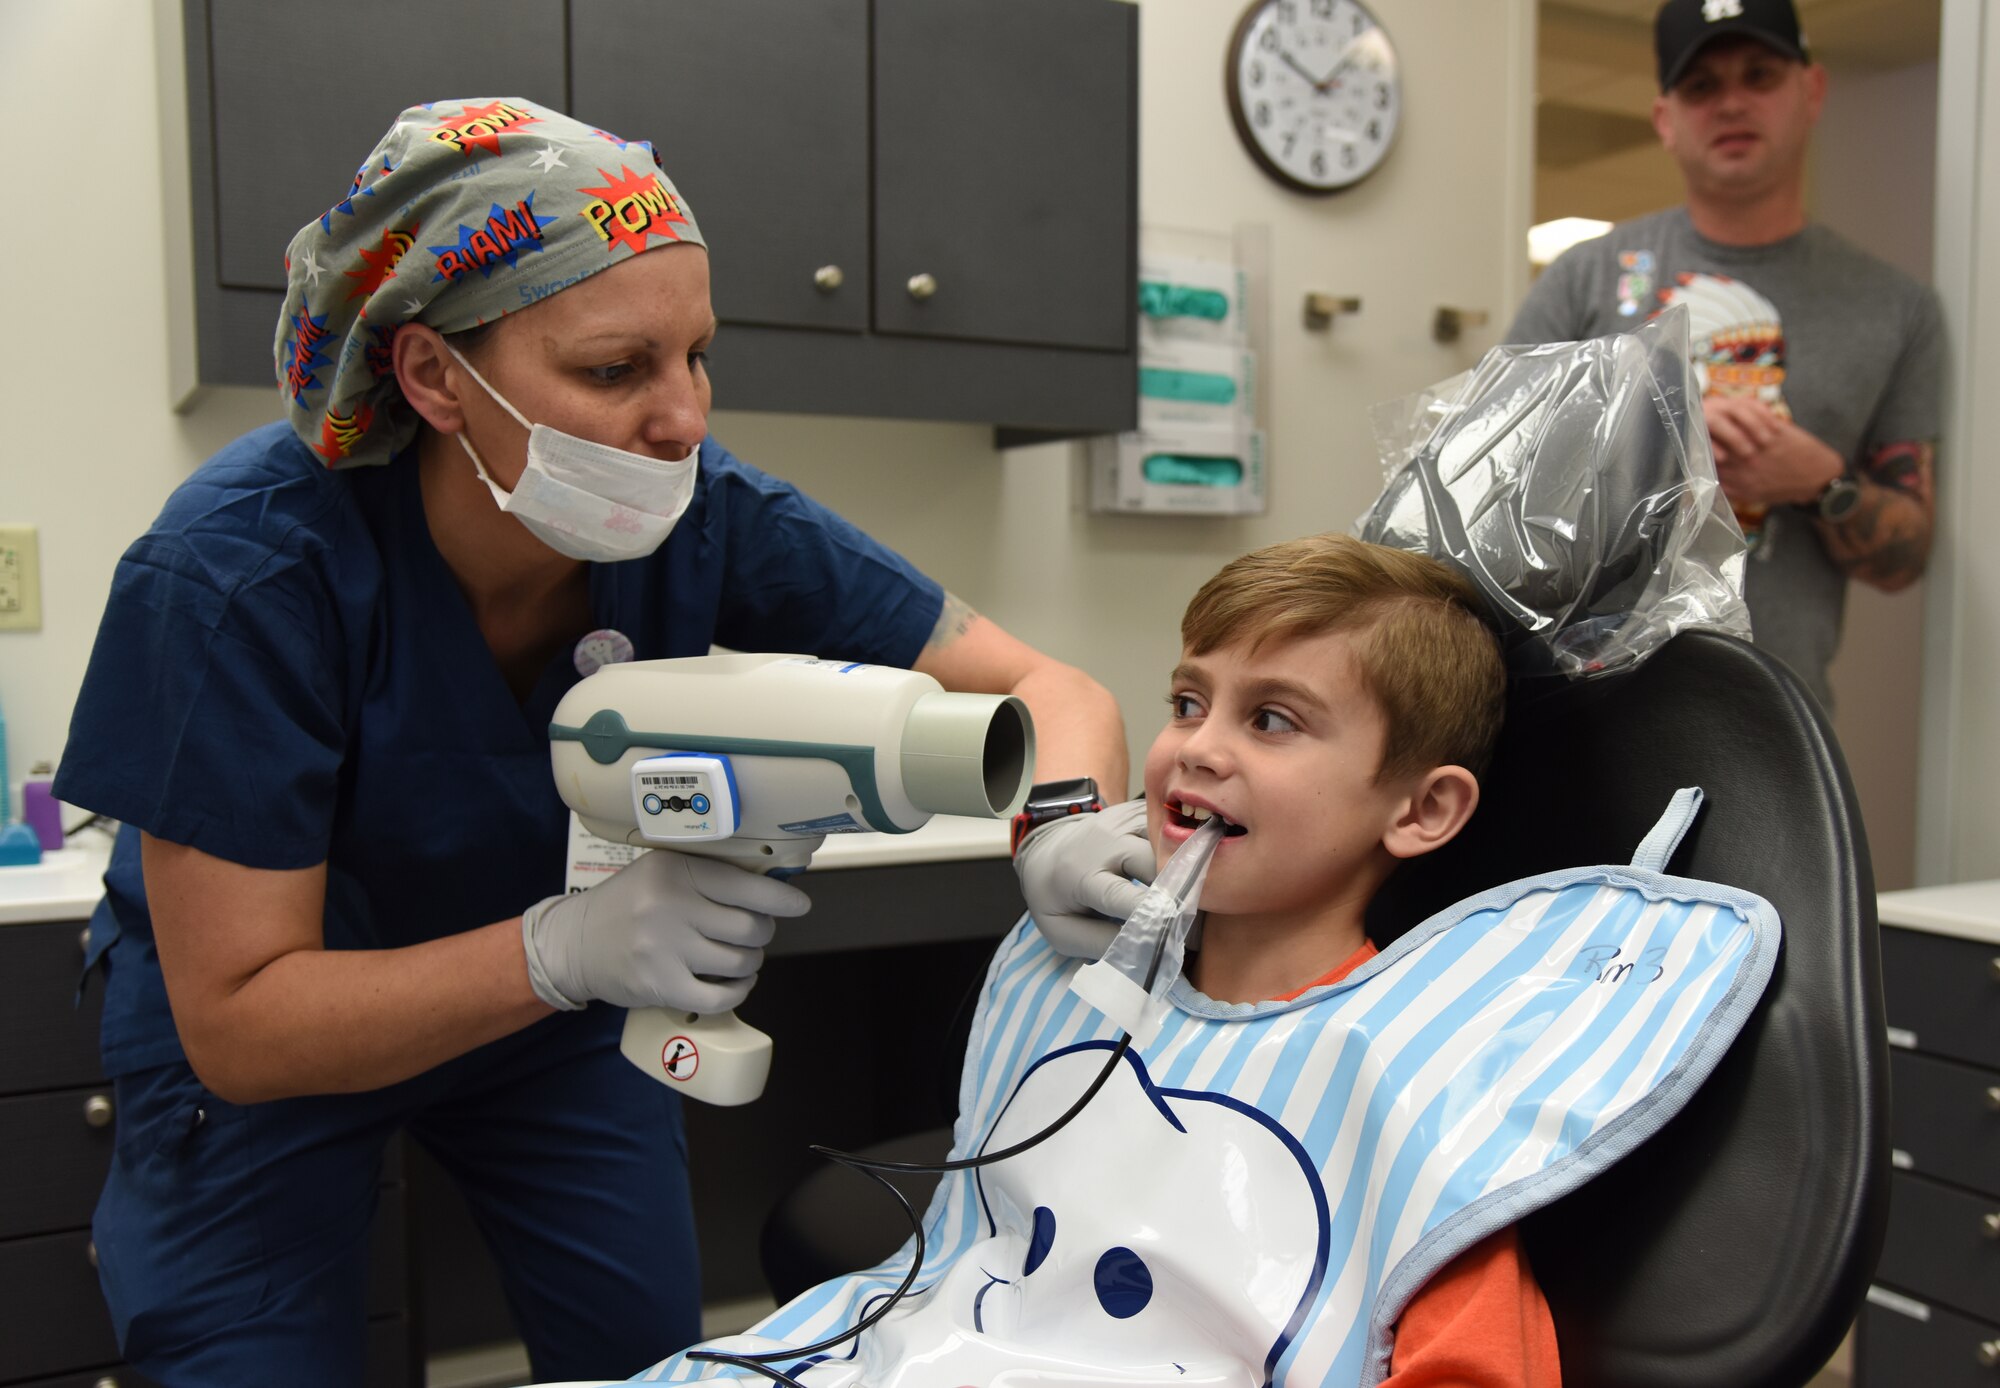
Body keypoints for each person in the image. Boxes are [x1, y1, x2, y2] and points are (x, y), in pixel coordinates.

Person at [52, 98, 1133, 1386]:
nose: (681, 420)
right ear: (433, 376)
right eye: (616, 371)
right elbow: (239, 1021)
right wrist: (565, 947)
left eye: (698, 357)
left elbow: (1045, 686)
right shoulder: (234, 576)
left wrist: (1061, 821)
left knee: (646, 1360)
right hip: (285, 1031)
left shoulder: (704, 513)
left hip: (555, 1017)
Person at [637, 533, 1593, 1387]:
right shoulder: (1077, 976)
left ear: (1422, 810)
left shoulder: (1413, 1081)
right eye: (1187, 701)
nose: (1195, 748)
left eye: (1272, 720)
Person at [1505, 0, 1944, 711]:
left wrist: (1821, 481)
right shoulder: (1584, 277)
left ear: (1813, 91)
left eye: (1759, 75)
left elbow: (1906, 558)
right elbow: (1492, 489)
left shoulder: (1896, 309)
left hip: (1772, 715)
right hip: (1575, 703)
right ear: (1665, 120)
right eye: (1701, 87)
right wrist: (1657, 437)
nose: (1732, 103)